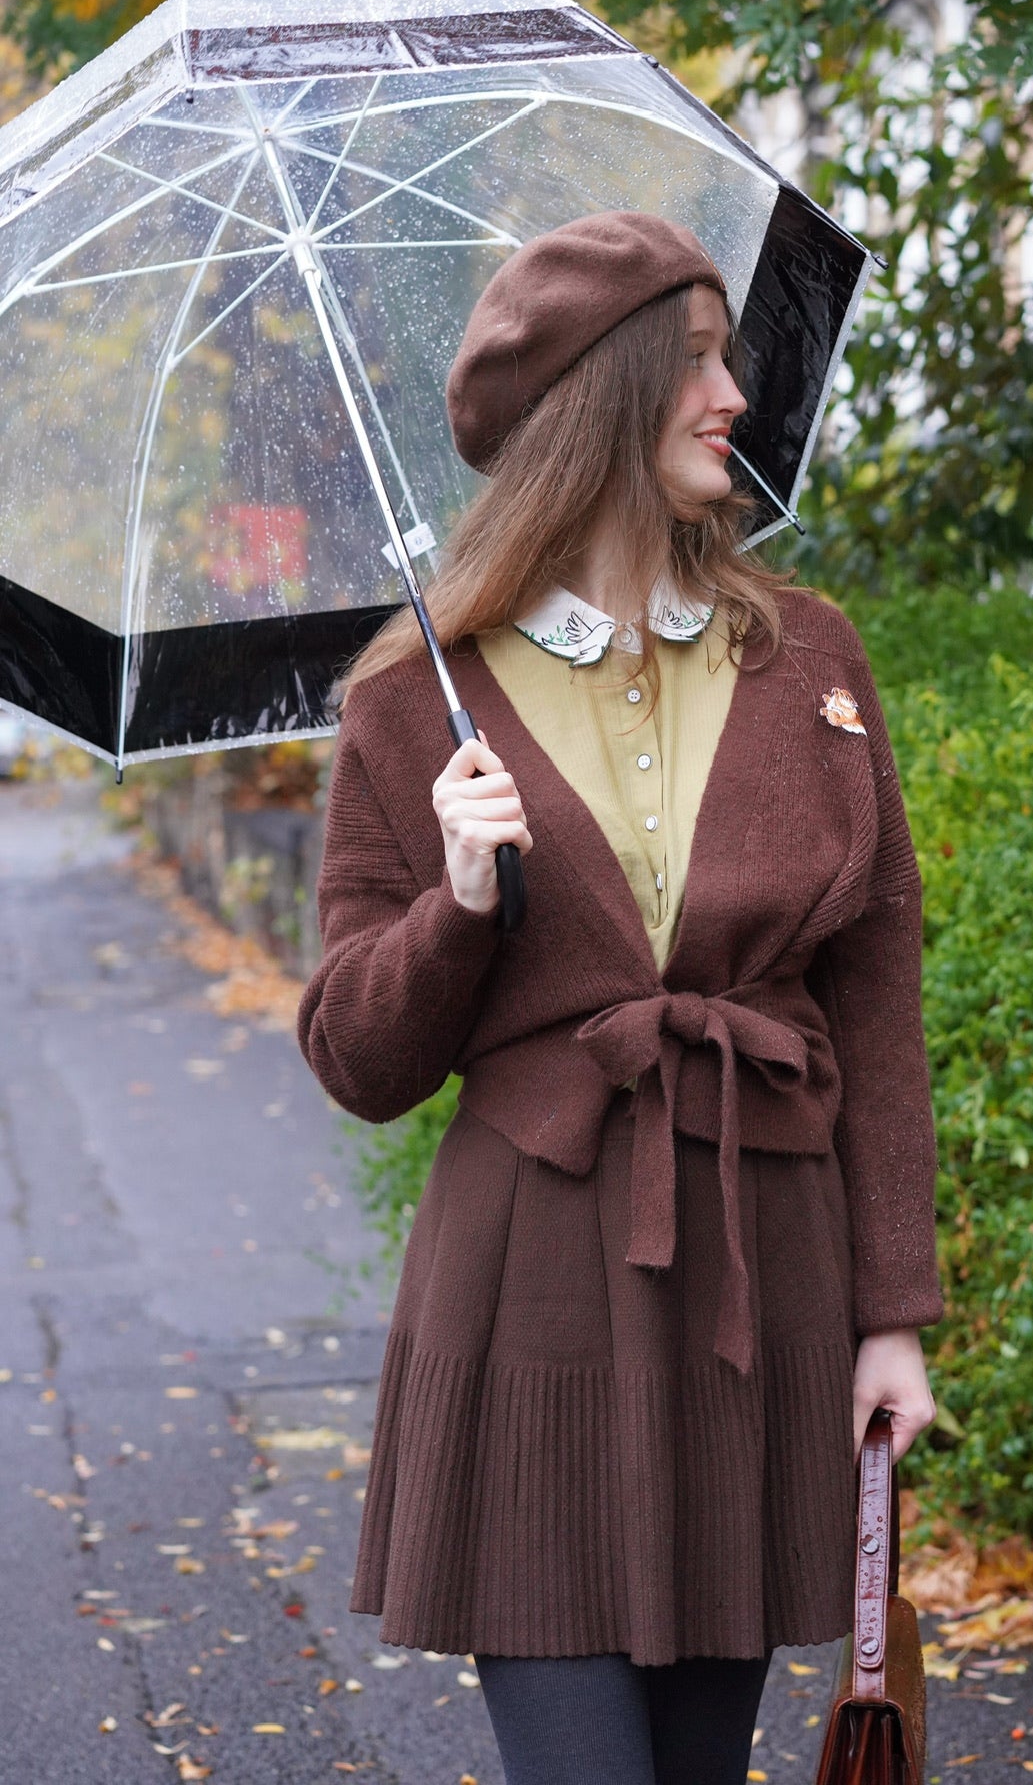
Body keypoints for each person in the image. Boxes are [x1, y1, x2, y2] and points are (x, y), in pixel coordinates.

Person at [298, 211, 941, 1785]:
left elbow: (877, 1009)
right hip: (536, 1277)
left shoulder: (813, 663)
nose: (735, 395)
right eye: (699, 360)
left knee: (702, 1767)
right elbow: (357, 1055)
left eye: (729, 353)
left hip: (756, 1262)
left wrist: (893, 1317)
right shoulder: (413, 698)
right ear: (602, 395)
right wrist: (454, 904)